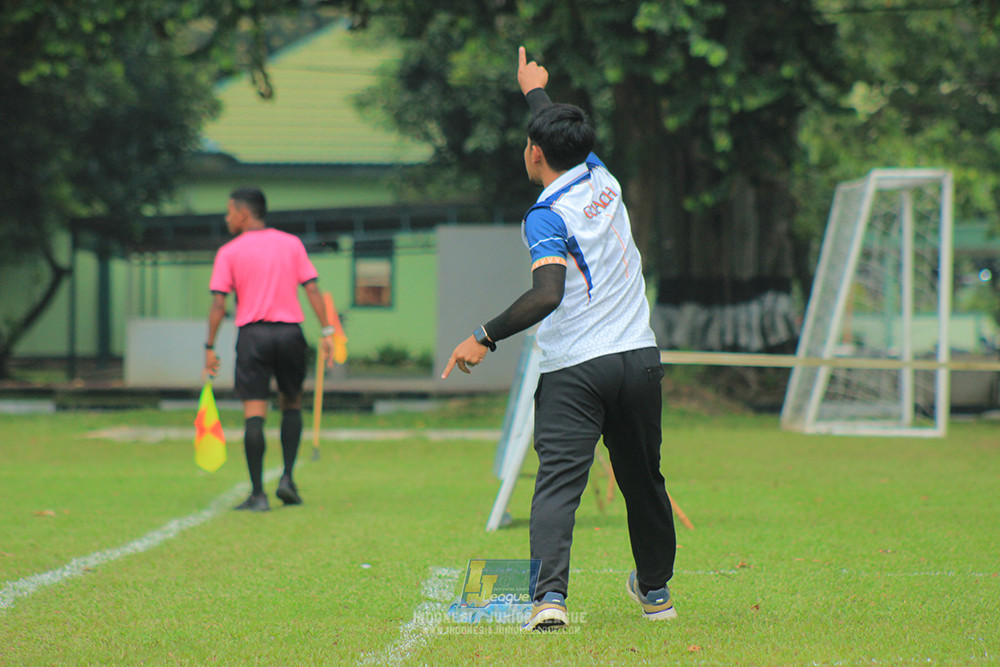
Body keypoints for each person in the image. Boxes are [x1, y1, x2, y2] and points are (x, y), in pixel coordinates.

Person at [442, 48, 678, 630]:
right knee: (644, 482)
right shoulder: (601, 176)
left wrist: (483, 336)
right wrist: (534, 90)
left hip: (577, 368)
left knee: (557, 487)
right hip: (639, 360)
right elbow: (561, 134)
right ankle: (656, 594)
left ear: (535, 153)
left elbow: (547, 294)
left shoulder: (545, 215)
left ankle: (549, 600)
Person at [204, 186, 335, 512]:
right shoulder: (291, 244)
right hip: (290, 334)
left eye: (229, 212)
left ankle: (258, 495)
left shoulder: (229, 252)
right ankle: (287, 479)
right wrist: (327, 331)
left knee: (254, 411)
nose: (226, 218)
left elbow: (219, 304)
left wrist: (209, 346)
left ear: (243, 213)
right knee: (292, 403)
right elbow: (312, 289)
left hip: (254, 335)